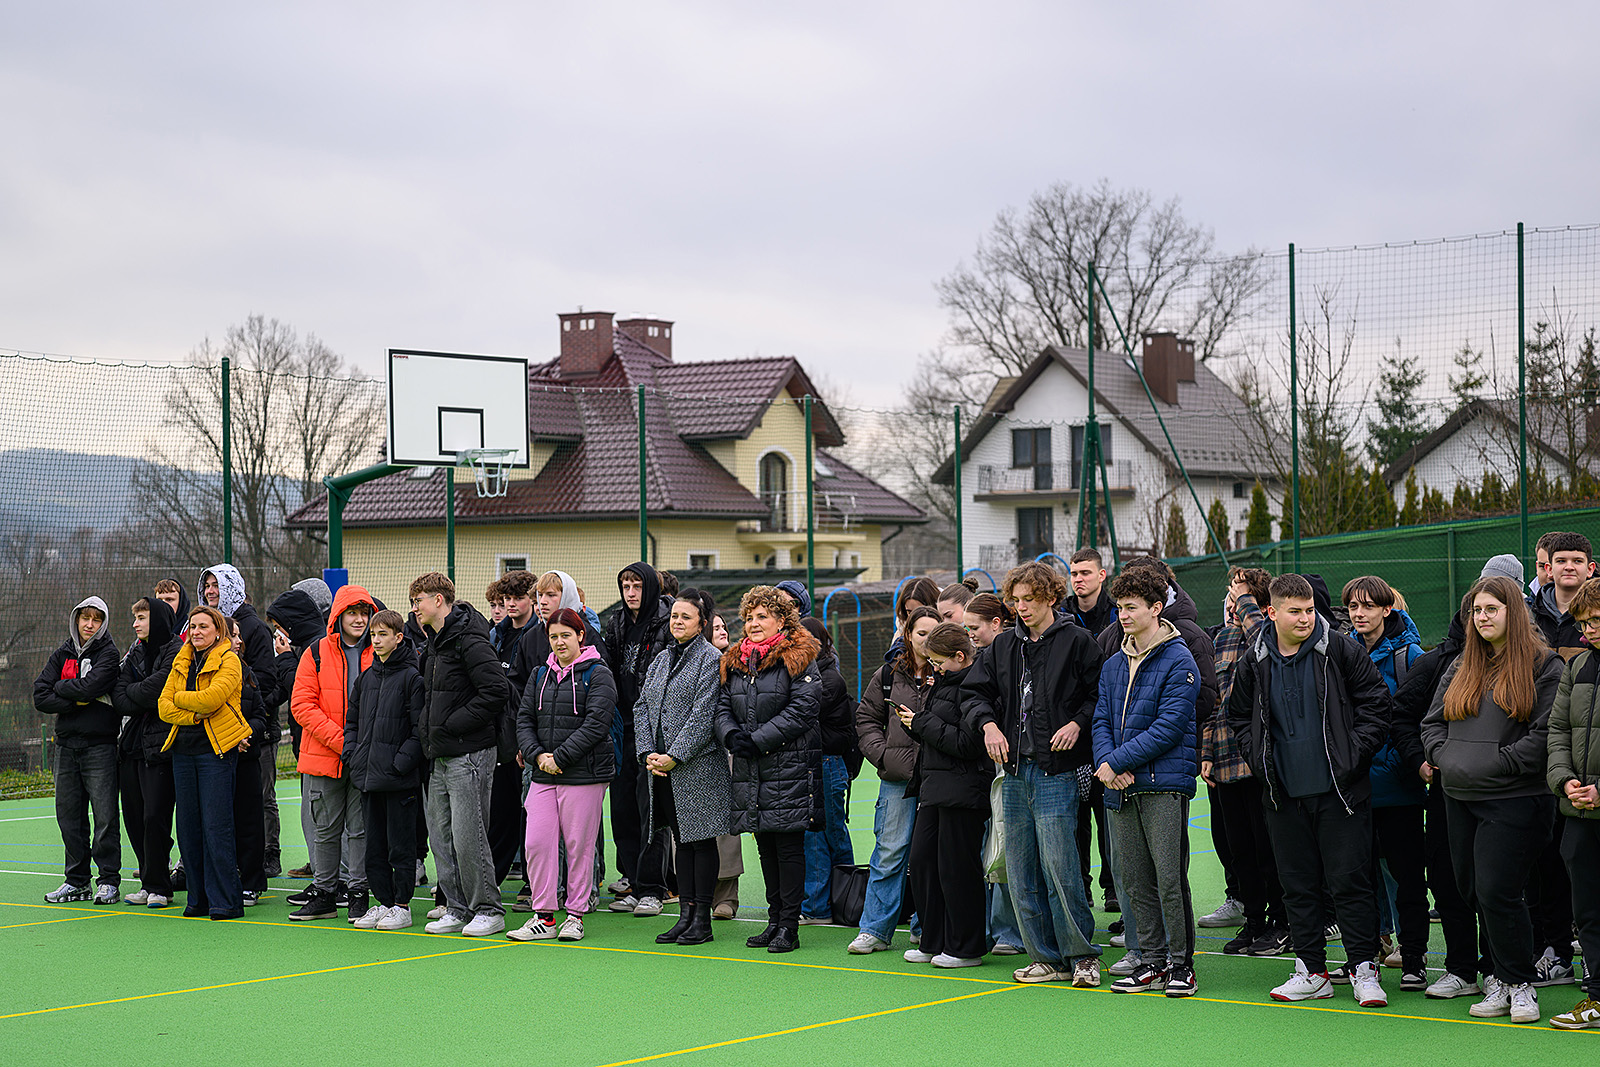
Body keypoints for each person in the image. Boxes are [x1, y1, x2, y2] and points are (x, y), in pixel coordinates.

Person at [1227, 573, 1391, 1008]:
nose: (1305, 619)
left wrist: (1351, 757)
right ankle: (1311, 970)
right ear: (1272, 613)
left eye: (1309, 611)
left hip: (1341, 792)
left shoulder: (1340, 647)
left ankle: (1364, 970)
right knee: (1296, 886)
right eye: (1295, 611)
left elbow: (1377, 703)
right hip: (1283, 794)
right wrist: (1262, 762)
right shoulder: (1254, 656)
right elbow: (1238, 714)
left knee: (1351, 884)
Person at [1422, 574, 1564, 1024]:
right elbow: (1431, 724)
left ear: (1514, 614)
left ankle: (1518, 983)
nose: (1482, 618)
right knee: (1470, 891)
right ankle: (1498, 975)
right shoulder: (1462, 664)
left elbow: (1544, 736)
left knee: (1498, 890)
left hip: (1516, 798)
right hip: (1458, 796)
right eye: (1477, 611)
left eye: (1491, 609)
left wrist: (1493, 764)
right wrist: (1447, 758)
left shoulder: (1546, 665)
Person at [963, 561, 1105, 988]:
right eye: (1016, 600)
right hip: (1013, 774)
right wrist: (988, 725)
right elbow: (974, 694)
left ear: (1050, 598)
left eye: (1030, 599)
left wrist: (1078, 722)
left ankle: (1081, 957)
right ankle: (1045, 958)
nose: (1022, 608)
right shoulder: (1002, 647)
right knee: (1022, 870)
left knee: (1061, 867)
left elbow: (1100, 696)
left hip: (1057, 772)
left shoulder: (1079, 642)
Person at [1092, 567, 1202, 997]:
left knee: (1169, 879)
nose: (1123, 615)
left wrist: (1116, 760)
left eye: (1131, 607)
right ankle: (1152, 961)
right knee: (1134, 880)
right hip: (1120, 786)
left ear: (1157, 608)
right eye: (1119, 607)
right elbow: (1101, 717)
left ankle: (1181, 965)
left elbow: (1170, 726)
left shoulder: (1180, 659)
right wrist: (1108, 764)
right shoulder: (1115, 662)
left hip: (1163, 785)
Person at [715, 586, 823, 954]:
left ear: (781, 619)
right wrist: (731, 735)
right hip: (750, 768)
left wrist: (757, 740)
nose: (754, 624)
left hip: (788, 767)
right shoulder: (736, 660)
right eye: (749, 617)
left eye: (762, 616)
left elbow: (803, 709)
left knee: (788, 848)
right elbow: (723, 706)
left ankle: (789, 927)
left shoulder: (799, 657)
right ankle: (774, 920)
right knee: (765, 845)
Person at [508, 609, 618, 942]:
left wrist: (560, 757)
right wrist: (537, 755)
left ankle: (575, 916)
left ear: (580, 636)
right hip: (544, 774)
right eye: (554, 637)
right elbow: (524, 719)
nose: (559, 642)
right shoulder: (540, 674)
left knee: (579, 847)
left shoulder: (598, 674)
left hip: (584, 775)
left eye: (565, 635)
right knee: (537, 842)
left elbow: (597, 723)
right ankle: (544, 918)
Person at [412, 572, 511, 937]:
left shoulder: (470, 639)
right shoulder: (436, 642)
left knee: (469, 834)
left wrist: (454, 724)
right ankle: (455, 907)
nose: (415, 608)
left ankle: (488, 909)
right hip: (439, 755)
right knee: (441, 835)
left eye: (419, 600)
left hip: (469, 753)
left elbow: (496, 691)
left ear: (438, 600)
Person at [1342, 575, 1429, 989]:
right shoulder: (1339, 652)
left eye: (1368, 606)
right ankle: (1368, 954)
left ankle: (1413, 958)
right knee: (1359, 877)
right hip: (1354, 788)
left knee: (1407, 878)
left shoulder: (1410, 656)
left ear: (1386, 609)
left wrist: (1397, 765)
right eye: (1353, 607)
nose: (1359, 613)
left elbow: (1417, 719)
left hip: (1398, 788)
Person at [635, 589, 732, 946]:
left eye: (686, 617)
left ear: (702, 623)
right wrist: (648, 751)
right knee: (680, 841)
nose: (677, 622)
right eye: (674, 616)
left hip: (696, 769)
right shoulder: (662, 659)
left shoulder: (710, 658)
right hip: (662, 771)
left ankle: (701, 920)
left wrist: (675, 755)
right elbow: (641, 707)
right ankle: (686, 915)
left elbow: (704, 714)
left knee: (700, 844)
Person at [1200, 568, 1287, 958]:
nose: (1230, 602)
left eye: (1238, 596)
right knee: (1240, 850)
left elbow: (1264, 642)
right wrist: (1206, 752)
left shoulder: (1266, 633)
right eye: (1229, 595)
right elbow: (1213, 703)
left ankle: (1281, 922)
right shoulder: (1220, 637)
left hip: (1259, 762)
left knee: (1269, 849)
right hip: (1224, 762)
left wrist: (1248, 601)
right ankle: (1253, 922)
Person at [846, 606, 941, 954]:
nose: (926, 641)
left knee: (929, 857)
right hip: (897, 780)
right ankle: (873, 929)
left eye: (934, 634)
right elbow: (866, 717)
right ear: (907, 634)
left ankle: (924, 926)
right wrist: (882, 755)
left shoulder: (948, 673)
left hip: (936, 779)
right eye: (920, 634)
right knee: (888, 854)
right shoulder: (887, 674)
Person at [899, 622, 991, 968]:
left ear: (959, 656)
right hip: (935, 788)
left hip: (964, 790)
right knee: (923, 863)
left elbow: (968, 744)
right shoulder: (945, 683)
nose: (934, 668)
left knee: (957, 869)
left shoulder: (975, 686)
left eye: (939, 662)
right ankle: (932, 939)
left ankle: (966, 946)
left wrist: (921, 724)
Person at [288, 585, 376, 922]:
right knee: (324, 829)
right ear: (337, 616)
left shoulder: (379, 651)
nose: (359, 619)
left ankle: (357, 894)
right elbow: (302, 705)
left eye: (364, 613)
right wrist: (343, 742)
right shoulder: (316, 652)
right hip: (326, 758)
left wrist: (363, 746)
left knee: (359, 829)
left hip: (364, 760)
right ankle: (324, 893)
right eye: (352, 613)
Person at [158, 605, 250, 920]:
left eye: (204, 627)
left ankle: (225, 902)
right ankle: (197, 900)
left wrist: (181, 699)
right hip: (182, 752)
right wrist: (194, 712)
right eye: (193, 626)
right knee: (188, 828)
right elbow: (162, 706)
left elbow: (212, 699)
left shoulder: (230, 660)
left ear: (217, 631)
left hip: (216, 752)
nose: (197, 632)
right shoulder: (181, 660)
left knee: (216, 826)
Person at [34, 596, 122, 905]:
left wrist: (64, 687)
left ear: (103, 623)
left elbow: (91, 687)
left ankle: (108, 880)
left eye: (96, 619)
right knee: (69, 817)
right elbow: (40, 695)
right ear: (76, 619)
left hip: (100, 747)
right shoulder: (62, 653)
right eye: (85, 618)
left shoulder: (109, 654)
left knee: (105, 817)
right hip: (66, 747)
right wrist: (75, 697)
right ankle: (76, 881)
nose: (89, 624)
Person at [344, 610, 425, 931]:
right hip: (367, 777)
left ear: (398, 638)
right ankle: (384, 902)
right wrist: (353, 754)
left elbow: (419, 731)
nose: (376, 640)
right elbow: (352, 723)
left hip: (398, 780)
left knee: (400, 846)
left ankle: (402, 905)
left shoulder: (411, 679)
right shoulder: (365, 679)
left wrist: (399, 764)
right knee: (373, 846)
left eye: (383, 634)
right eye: (373, 635)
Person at [603, 562, 675, 916]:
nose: (631, 593)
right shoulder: (616, 623)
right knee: (623, 809)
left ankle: (652, 888)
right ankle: (631, 880)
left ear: (650, 587)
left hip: (654, 729)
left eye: (637, 586)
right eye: (625, 586)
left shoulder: (666, 622)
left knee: (651, 810)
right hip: (622, 727)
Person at [1545, 577, 1600, 1029]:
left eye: (1599, 619)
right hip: (1579, 810)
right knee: (1588, 909)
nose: (1591, 629)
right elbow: (1557, 732)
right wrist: (1565, 782)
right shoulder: (1577, 664)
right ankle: (1597, 998)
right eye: (1585, 622)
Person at [113, 595, 182, 907]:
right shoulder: (133, 652)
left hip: (161, 746)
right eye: (134, 618)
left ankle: (161, 887)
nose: (135, 624)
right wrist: (138, 696)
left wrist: (136, 694)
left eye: (141, 618)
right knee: (135, 816)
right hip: (132, 746)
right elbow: (119, 695)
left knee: (156, 815)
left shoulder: (176, 650)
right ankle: (148, 880)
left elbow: (161, 687)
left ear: (156, 619)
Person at [798, 616, 857, 925]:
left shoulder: (828, 679)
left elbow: (802, 713)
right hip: (817, 765)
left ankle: (845, 901)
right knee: (817, 834)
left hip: (828, 765)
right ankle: (826, 905)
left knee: (828, 833)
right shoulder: (814, 675)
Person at [227, 618, 270, 908]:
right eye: (233, 636)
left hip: (246, 757)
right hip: (215, 758)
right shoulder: (200, 671)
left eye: (240, 636)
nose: (240, 641)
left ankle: (252, 882)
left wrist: (244, 735)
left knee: (250, 820)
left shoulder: (246, 672)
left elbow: (259, 714)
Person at [708, 612, 743, 920]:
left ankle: (727, 896)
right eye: (715, 627)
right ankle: (697, 893)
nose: (721, 631)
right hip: (692, 754)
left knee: (727, 827)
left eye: (723, 627)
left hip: (727, 748)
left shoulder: (735, 663)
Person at [1067, 548, 1113, 636]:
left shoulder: (1116, 615)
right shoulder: (1060, 612)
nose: (1078, 579)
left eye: (1085, 573)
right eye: (1074, 574)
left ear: (1101, 575)